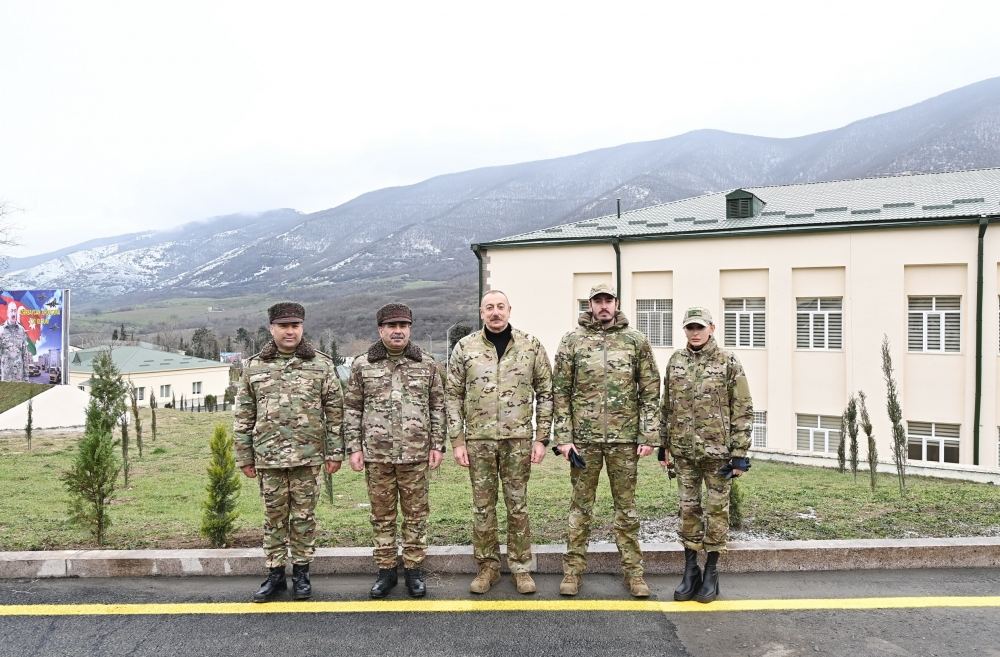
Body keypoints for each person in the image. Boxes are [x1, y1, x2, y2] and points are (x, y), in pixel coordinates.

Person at [552, 283, 660, 598]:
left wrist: (648, 433)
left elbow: (650, 389)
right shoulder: (572, 341)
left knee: (626, 508)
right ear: (590, 304)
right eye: (597, 301)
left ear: (617, 303)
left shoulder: (635, 341)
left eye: (608, 300)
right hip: (583, 442)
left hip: (624, 441)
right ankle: (572, 572)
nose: (603, 306)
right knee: (580, 507)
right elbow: (560, 392)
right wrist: (563, 437)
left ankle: (634, 574)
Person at [233, 302, 344, 603]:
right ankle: (275, 576)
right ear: (272, 328)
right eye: (283, 326)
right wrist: (244, 456)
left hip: (308, 457)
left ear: (302, 327)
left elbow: (335, 413)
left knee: (304, 517)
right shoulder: (254, 367)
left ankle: (303, 575)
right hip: (268, 458)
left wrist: (335, 453)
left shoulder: (321, 365)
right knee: (273, 519)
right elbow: (244, 415)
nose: (290, 331)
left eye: (295, 325)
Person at [446, 290, 553, 595]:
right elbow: (452, 395)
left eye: (500, 307)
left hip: (518, 440)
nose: (495, 312)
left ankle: (520, 567)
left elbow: (546, 393)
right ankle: (487, 567)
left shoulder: (530, 345)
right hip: (478, 441)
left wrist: (542, 437)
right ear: (481, 312)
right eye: (489, 307)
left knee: (517, 505)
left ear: (509, 310)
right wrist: (457, 440)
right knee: (483, 507)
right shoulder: (465, 348)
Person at [345, 303, 445, 599]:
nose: (398, 331)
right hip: (377, 455)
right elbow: (352, 408)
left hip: (415, 454)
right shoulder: (362, 365)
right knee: (382, 515)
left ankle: (414, 570)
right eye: (392, 326)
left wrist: (437, 444)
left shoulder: (426, 364)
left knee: (416, 514)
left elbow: (437, 406)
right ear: (381, 330)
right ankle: (386, 570)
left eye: (403, 326)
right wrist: (354, 448)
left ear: (410, 329)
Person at [659, 306, 753, 603]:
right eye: (690, 328)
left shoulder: (728, 362)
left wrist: (739, 453)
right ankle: (690, 571)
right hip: (684, 453)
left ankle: (711, 571)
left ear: (712, 328)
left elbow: (742, 407)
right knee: (688, 510)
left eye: (700, 327)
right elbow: (667, 406)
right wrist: (664, 444)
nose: (695, 332)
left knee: (716, 511)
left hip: (718, 455)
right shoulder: (676, 361)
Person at [0, 302, 31, 382]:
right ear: (7, 313)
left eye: (15, 311)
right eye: (11, 311)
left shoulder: (21, 330)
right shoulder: (1, 330)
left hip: (18, 376)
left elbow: (25, 354)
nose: (13, 313)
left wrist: (26, 377)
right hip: (5, 376)